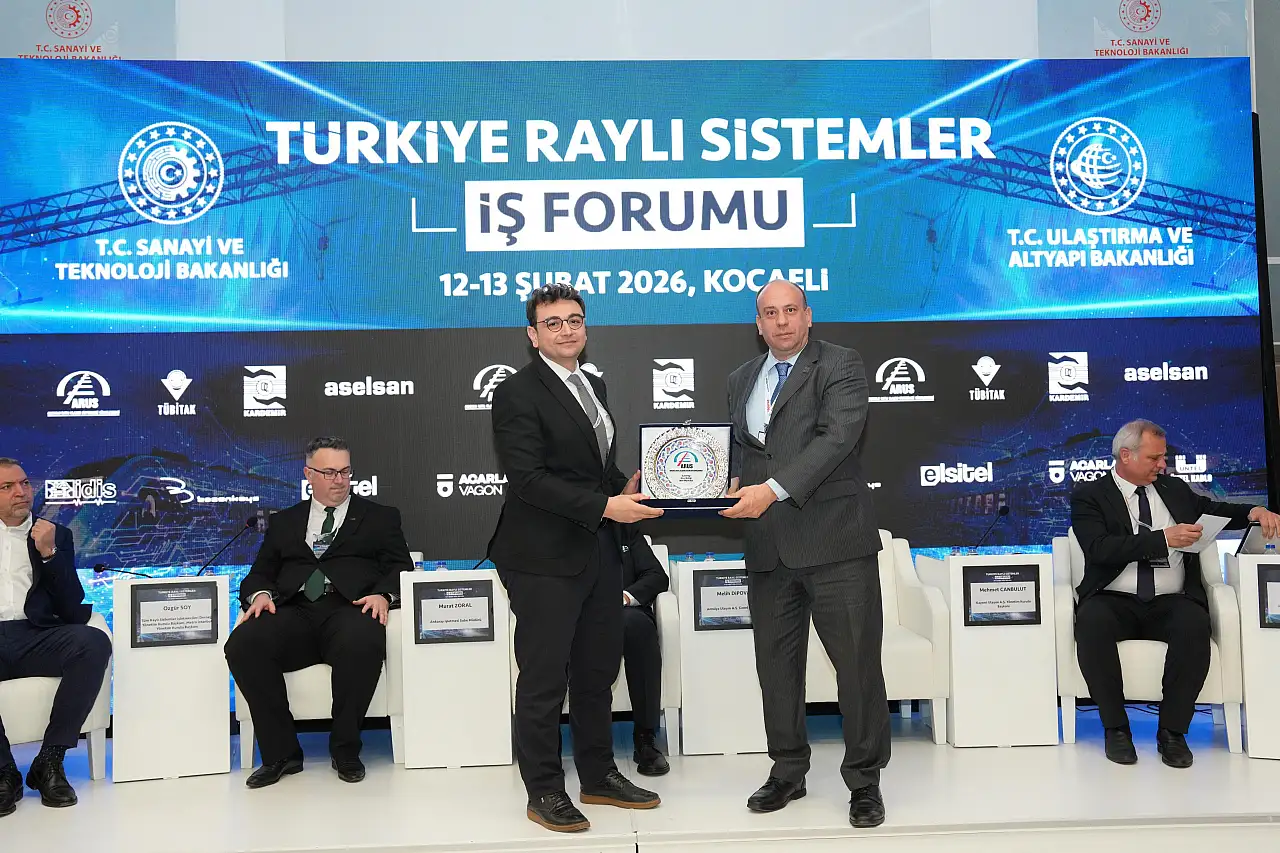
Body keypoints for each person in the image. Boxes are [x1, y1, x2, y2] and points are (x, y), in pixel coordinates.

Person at [489, 284, 663, 833]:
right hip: (541, 556)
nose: (567, 329)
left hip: (598, 548)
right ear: (533, 334)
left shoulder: (594, 383)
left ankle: (598, 775)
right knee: (544, 679)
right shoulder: (516, 392)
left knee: (596, 672)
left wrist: (626, 488)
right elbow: (529, 479)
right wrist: (607, 505)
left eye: (575, 319)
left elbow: (595, 470)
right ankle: (543, 789)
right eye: (554, 322)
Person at [721, 279, 889, 829]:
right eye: (770, 313)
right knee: (776, 668)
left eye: (790, 310)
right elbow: (744, 454)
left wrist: (769, 491)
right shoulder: (741, 379)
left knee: (857, 669)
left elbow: (836, 438)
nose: (782, 321)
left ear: (808, 315)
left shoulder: (840, 364)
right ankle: (788, 770)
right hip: (768, 547)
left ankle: (864, 781)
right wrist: (713, 484)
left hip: (836, 543)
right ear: (758, 324)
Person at [1070, 419, 1280, 768]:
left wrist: (1252, 512)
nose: (1162, 464)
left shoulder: (1173, 489)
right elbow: (1099, 549)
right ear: (1126, 455)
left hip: (1170, 600)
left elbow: (1215, 511)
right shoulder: (1090, 496)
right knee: (1091, 621)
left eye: (1163, 456)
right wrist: (1164, 539)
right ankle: (1116, 729)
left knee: (1194, 623)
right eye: (1154, 458)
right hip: (1112, 598)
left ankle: (1172, 732)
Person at [225, 437, 412, 788]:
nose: (339, 480)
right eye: (329, 472)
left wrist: (384, 595)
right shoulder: (285, 521)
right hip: (294, 610)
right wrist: (260, 594)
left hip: (349, 608)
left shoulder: (380, 517)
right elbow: (260, 573)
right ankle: (281, 754)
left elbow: (401, 567)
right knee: (243, 644)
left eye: (345, 471)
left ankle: (346, 750)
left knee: (363, 638)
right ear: (309, 474)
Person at [0, 458, 111, 815]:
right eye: (7, 487)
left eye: (24, 483)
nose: (20, 492)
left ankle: (49, 761)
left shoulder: (54, 533)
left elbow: (69, 602)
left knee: (93, 643)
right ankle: (4, 772)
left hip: (36, 633)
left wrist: (49, 553)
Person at [617, 524, 671, 776]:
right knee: (556, 631)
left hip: (624, 610)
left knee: (638, 626)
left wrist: (625, 597)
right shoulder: (566, 525)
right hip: (579, 610)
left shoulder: (626, 532)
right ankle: (549, 742)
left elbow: (656, 576)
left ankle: (645, 736)